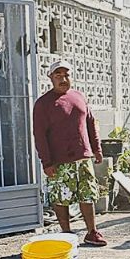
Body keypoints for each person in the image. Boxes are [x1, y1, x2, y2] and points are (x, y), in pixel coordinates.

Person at [32, 60, 107, 246]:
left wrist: (96, 149)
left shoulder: (79, 97)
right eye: (58, 76)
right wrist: (46, 162)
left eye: (66, 75)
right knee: (61, 197)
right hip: (59, 161)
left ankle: (92, 232)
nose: (63, 79)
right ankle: (66, 235)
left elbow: (90, 123)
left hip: (83, 158)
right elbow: (39, 135)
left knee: (87, 194)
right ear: (51, 78)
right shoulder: (43, 104)